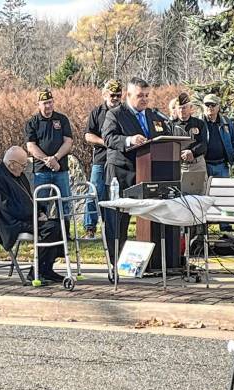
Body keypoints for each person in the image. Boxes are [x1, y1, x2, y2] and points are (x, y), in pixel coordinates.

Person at [102, 76, 170, 263]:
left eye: (147, 95)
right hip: (122, 173)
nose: (144, 99)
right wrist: (129, 140)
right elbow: (108, 138)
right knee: (118, 221)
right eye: (140, 95)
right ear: (128, 95)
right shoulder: (115, 114)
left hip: (147, 173)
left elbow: (162, 138)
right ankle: (115, 263)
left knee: (151, 217)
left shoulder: (153, 116)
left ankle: (153, 261)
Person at [0, 146, 65, 283]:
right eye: (22, 165)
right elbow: (7, 208)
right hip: (11, 223)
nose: (24, 168)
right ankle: (36, 271)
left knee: (61, 223)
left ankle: (46, 269)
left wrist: (40, 211)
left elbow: (29, 198)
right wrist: (34, 215)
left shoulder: (18, 174)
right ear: (12, 164)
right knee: (51, 228)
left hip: (28, 217)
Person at [83, 79, 123, 239]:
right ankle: (90, 227)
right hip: (101, 159)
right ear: (105, 94)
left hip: (119, 160)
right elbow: (88, 135)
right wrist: (106, 142)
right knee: (94, 192)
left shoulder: (124, 112)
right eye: (112, 95)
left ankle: (111, 229)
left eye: (118, 95)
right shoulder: (97, 112)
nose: (115, 98)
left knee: (113, 195)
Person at [25, 89, 73, 220]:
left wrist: (56, 158)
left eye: (50, 102)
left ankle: (66, 233)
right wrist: (47, 160)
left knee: (64, 202)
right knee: (41, 204)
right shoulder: (32, 122)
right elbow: (31, 146)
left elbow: (68, 142)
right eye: (45, 103)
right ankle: (43, 234)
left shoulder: (62, 119)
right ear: (38, 104)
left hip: (61, 168)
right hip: (41, 171)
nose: (48, 106)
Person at [203, 93, 234, 231]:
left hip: (222, 165)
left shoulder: (226, 122)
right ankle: (202, 229)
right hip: (204, 165)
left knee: (225, 197)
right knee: (203, 198)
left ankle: (226, 226)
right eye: (207, 105)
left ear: (218, 107)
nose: (210, 108)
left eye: (213, 105)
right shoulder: (199, 123)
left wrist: (233, 153)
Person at [172, 92, 207, 194]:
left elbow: (204, 144)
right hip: (179, 166)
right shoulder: (171, 126)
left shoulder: (199, 123)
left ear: (190, 108)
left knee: (201, 195)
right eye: (179, 108)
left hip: (197, 165)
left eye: (184, 107)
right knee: (180, 197)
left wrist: (192, 152)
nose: (181, 110)